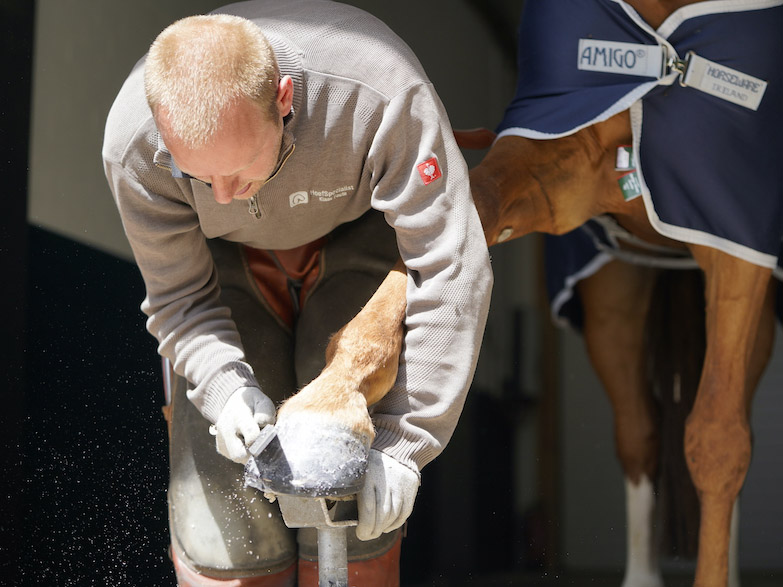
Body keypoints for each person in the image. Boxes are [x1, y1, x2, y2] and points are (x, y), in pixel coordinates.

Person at [102, 1, 492, 585]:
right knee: (221, 523)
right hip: (223, 259)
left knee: (354, 484)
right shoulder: (133, 145)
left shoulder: (380, 91)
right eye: (202, 178)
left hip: (358, 229)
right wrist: (225, 389)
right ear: (162, 131)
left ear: (285, 99)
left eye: (240, 169)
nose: (225, 194)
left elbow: (452, 265)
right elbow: (179, 298)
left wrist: (406, 441)